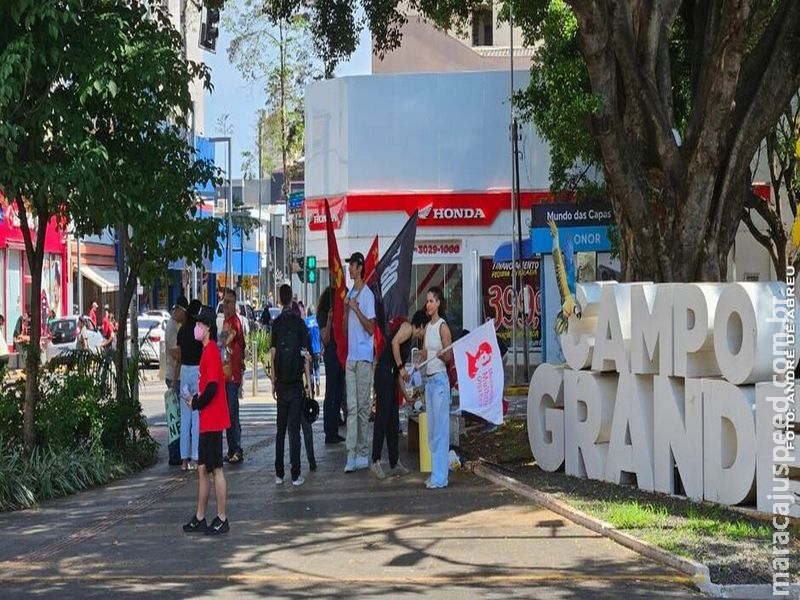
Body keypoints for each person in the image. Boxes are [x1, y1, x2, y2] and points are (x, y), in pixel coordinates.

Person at [182, 306, 231, 536]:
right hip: (207, 419)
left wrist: (197, 402)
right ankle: (200, 517)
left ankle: (221, 517)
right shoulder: (207, 351)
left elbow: (212, 387)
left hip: (212, 419)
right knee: (203, 470)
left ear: (208, 327)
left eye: (200, 324)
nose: (196, 327)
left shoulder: (211, 351)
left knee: (216, 470)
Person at [370, 310, 429, 480]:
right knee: (382, 418)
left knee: (393, 421)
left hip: (391, 375)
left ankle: (394, 462)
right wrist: (402, 367)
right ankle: (375, 460)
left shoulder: (410, 339)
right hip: (383, 374)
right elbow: (395, 343)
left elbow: (398, 374)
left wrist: (406, 394)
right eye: (425, 330)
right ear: (422, 325)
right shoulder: (407, 328)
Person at [270, 284, 311, 487]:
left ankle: (279, 474)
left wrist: (273, 382)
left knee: (280, 431)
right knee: (294, 431)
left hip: (281, 384)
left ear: (280, 299)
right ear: (291, 300)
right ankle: (296, 474)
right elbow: (306, 356)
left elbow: (273, 354)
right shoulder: (299, 323)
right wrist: (309, 386)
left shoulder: (276, 324)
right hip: (296, 384)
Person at [343, 251, 376, 473]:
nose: (349, 268)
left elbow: (372, 327)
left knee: (363, 407)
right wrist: (347, 310)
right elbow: (346, 327)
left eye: (352, 265)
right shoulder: (350, 293)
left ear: (360, 267)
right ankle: (351, 453)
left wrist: (356, 308)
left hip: (364, 357)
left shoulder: (367, 295)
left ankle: (363, 451)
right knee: (352, 407)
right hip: (351, 358)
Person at [421, 286, 453, 489]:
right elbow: (424, 354)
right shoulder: (427, 328)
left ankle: (441, 477)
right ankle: (435, 472)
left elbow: (449, 356)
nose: (428, 304)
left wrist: (442, 354)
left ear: (439, 303)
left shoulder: (443, 327)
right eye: (427, 301)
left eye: (432, 300)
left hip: (440, 380)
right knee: (432, 430)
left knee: (441, 430)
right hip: (430, 381)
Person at [178, 299, 204, 471]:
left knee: (184, 419)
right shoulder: (198, 330)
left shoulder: (182, 330)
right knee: (196, 417)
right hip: (197, 372)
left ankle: (183, 460)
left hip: (184, 370)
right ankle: (195, 457)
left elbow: (179, 354)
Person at [220, 288, 245, 464]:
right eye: (224, 301)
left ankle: (237, 448)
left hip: (233, 374)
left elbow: (225, 340)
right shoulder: (225, 321)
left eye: (228, 302)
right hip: (225, 374)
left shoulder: (234, 322)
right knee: (227, 413)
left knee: (232, 412)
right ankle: (231, 448)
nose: (225, 305)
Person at [318, 287, 345, 445]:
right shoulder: (323, 315)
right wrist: (329, 320)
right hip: (331, 354)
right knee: (331, 392)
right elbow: (326, 339)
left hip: (340, 354)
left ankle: (334, 427)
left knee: (338, 391)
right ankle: (330, 430)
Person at [165, 296, 188, 466]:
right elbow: (176, 353)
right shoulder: (172, 327)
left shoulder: (175, 325)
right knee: (176, 418)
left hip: (175, 375)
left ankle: (178, 452)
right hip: (175, 376)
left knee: (177, 417)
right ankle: (175, 454)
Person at [304, 306, 322, 397]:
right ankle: (318, 380)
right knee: (317, 368)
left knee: (310, 370)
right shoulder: (318, 321)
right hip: (318, 349)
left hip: (310, 350)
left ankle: (312, 387)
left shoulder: (306, 322)